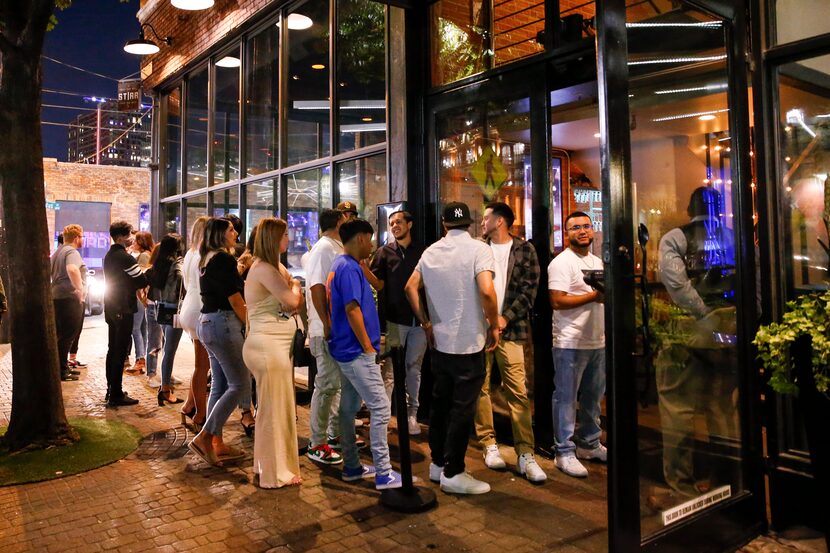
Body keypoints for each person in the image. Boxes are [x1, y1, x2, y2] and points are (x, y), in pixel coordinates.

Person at [405, 201, 500, 495]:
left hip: (441, 345)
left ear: (444, 225)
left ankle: (437, 464)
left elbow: (410, 287)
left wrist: (426, 323)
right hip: (469, 344)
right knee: (462, 409)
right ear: (469, 224)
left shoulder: (431, 251)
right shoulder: (479, 250)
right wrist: (494, 324)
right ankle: (454, 471)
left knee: (440, 405)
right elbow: (486, 289)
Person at [654, 186, 739, 502]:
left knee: (678, 409)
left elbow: (675, 282)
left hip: (689, 332)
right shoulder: (733, 236)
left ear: (689, 208)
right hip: (729, 332)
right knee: (721, 409)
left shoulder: (676, 237)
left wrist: (703, 314)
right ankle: (729, 479)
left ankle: (682, 486)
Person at [475, 202, 546, 483]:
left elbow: (530, 290)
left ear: (501, 221)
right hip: (480, 330)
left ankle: (525, 453)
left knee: (517, 390)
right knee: (481, 386)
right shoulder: (479, 248)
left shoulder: (524, 249)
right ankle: (488, 443)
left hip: (511, 330)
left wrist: (504, 318)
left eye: (486, 218)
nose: (482, 223)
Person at [329, 218, 402, 490]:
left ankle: (352, 466)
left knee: (348, 409)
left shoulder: (344, 265)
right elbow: (352, 309)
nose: (371, 244)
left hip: (347, 350)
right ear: (360, 238)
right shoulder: (347, 267)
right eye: (369, 239)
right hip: (357, 352)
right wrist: (369, 347)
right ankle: (384, 472)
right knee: (381, 408)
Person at [242, 218, 304, 488]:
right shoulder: (264, 268)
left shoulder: (272, 267)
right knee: (272, 412)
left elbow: (290, 300)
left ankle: (272, 468)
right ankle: (273, 474)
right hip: (268, 347)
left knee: (277, 410)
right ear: (273, 239)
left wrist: (292, 289)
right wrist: (297, 287)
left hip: (275, 346)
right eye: (285, 234)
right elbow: (293, 301)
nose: (289, 239)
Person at [548, 211, 607, 478]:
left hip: (597, 340)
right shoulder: (561, 263)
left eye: (586, 226)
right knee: (566, 399)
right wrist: (594, 296)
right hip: (569, 341)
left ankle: (589, 444)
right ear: (567, 233)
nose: (582, 231)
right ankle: (564, 451)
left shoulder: (598, 262)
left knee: (594, 398)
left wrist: (601, 297)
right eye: (575, 228)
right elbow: (557, 300)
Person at [188, 218, 249, 466]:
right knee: (240, 385)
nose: (235, 232)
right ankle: (205, 437)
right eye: (231, 230)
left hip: (208, 322)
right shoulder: (223, 259)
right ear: (219, 235)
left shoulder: (206, 258)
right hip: (223, 323)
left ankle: (217, 442)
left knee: (220, 385)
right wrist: (250, 325)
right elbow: (234, 299)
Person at [368, 210, 427, 436]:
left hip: (420, 322)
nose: (394, 226)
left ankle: (412, 415)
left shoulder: (422, 252)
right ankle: (383, 417)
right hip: (394, 321)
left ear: (409, 224)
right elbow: (377, 284)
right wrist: (363, 268)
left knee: (414, 369)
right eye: (391, 223)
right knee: (391, 371)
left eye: (399, 222)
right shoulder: (384, 252)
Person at [305, 208, 346, 465]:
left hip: (335, 328)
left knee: (334, 386)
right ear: (339, 222)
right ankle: (316, 442)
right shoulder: (323, 248)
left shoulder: (335, 247)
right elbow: (317, 286)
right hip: (325, 330)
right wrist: (326, 321)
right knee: (327, 385)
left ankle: (333, 435)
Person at [103, 221, 148, 407]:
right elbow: (141, 280)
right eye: (129, 234)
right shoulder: (125, 258)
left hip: (112, 307)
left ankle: (111, 389)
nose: (132, 237)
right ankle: (116, 394)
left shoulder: (110, 255)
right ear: (121, 237)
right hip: (124, 308)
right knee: (120, 351)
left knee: (112, 349)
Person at [224, 214, 256, 435]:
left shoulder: (242, 254)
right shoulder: (238, 257)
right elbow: (233, 288)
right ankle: (246, 412)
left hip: (245, 313)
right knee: (243, 370)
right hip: (240, 314)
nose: (233, 234)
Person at [179, 216, 211, 428]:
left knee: (200, 364)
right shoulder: (203, 255)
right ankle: (201, 413)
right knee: (202, 366)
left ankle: (189, 405)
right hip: (199, 309)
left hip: (188, 307)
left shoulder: (190, 254)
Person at [148, 234, 186, 405]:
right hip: (174, 310)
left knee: (167, 350)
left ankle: (165, 387)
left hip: (161, 308)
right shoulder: (176, 263)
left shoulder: (159, 263)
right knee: (170, 351)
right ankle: (164, 389)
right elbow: (180, 279)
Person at [50, 224, 86, 382]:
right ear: (77, 238)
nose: (82, 240)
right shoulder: (71, 251)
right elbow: (72, 269)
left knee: (61, 334)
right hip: (69, 298)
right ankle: (62, 371)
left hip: (57, 296)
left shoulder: (57, 252)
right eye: (82, 237)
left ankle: (62, 367)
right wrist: (79, 290)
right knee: (68, 335)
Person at [126, 231, 154, 375]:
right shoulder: (149, 254)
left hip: (140, 296)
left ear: (141, 242)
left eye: (136, 241)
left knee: (135, 328)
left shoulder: (143, 256)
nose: (133, 244)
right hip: (145, 296)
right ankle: (143, 359)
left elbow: (141, 277)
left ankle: (139, 359)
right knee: (142, 329)